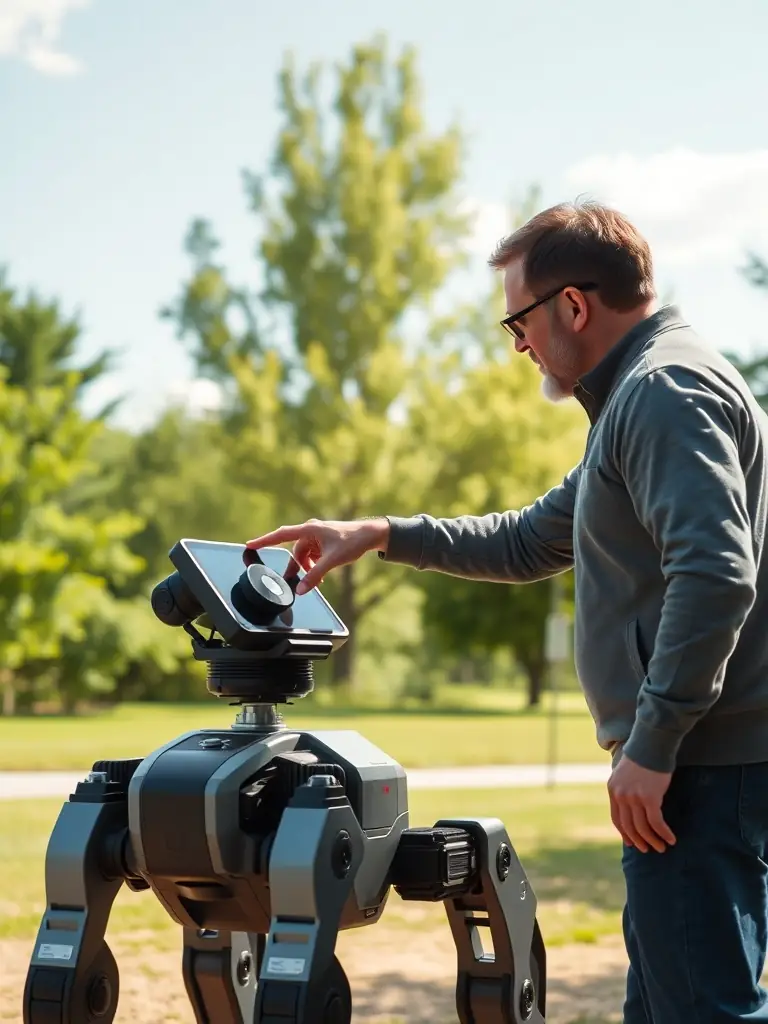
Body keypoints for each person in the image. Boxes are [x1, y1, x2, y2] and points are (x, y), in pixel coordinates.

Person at [246, 199, 768, 1023]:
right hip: (692, 763)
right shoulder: (638, 394)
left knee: (701, 1008)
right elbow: (528, 540)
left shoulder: (663, 390)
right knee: (671, 1003)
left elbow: (716, 574)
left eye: (516, 320)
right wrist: (376, 533)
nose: (518, 343)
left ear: (572, 305)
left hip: (697, 766)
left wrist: (655, 739)